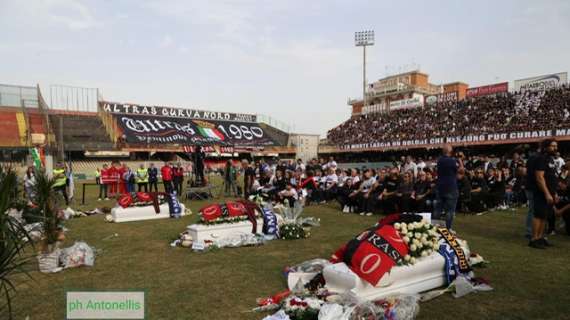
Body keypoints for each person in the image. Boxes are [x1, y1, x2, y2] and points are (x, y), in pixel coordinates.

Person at [529, 139, 558, 249]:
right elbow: (539, 178)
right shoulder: (540, 158)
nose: (555, 148)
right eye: (553, 146)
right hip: (542, 192)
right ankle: (534, 239)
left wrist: (554, 193)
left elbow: (551, 176)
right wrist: (547, 193)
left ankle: (540, 238)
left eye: (556, 146)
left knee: (545, 216)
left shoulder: (550, 159)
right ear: (546, 147)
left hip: (550, 192)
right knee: (539, 215)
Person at [433, 144, 461, 229]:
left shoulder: (439, 160)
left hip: (440, 187)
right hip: (450, 188)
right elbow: (461, 171)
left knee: (438, 210)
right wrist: (460, 160)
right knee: (449, 211)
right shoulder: (452, 161)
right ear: (450, 151)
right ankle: (448, 229)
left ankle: (435, 227)